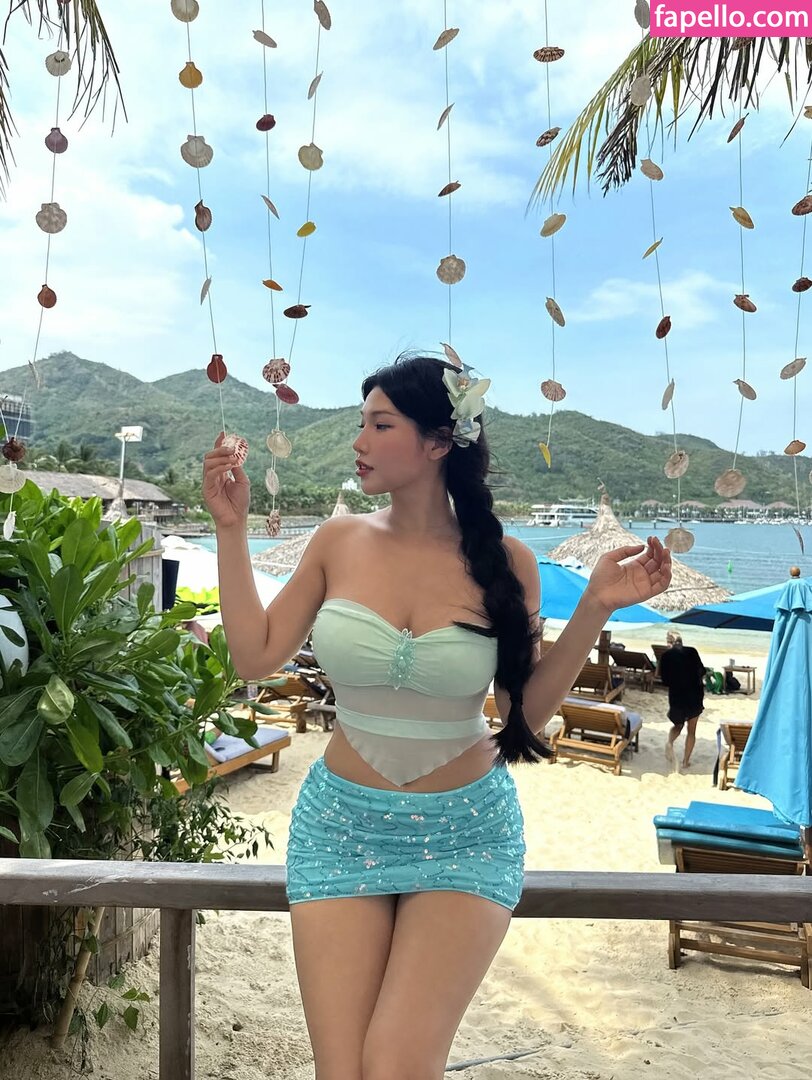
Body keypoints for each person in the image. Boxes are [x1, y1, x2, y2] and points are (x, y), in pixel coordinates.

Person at [202, 353, 671, 1080]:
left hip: (466, 832)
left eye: (379, 425)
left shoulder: (507, 561)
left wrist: (595, 607)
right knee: (341, 1072)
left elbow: (523, 713)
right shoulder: (337, 541)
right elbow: (254, 656)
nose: (358, 441)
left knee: (396, 1063)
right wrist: (230, 531)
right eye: (361, 423)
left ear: (439, 442)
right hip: (340, 826)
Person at [659, 630, 705, 769]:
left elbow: (665, 680)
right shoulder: (692, 651)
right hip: (695, 695)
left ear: (669, 643)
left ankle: (670, 742)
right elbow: (702, 671)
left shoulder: (666, 656)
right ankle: (685, 762)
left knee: (678, 725)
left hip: (677, 696)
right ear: (681, 641)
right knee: (691, 731)